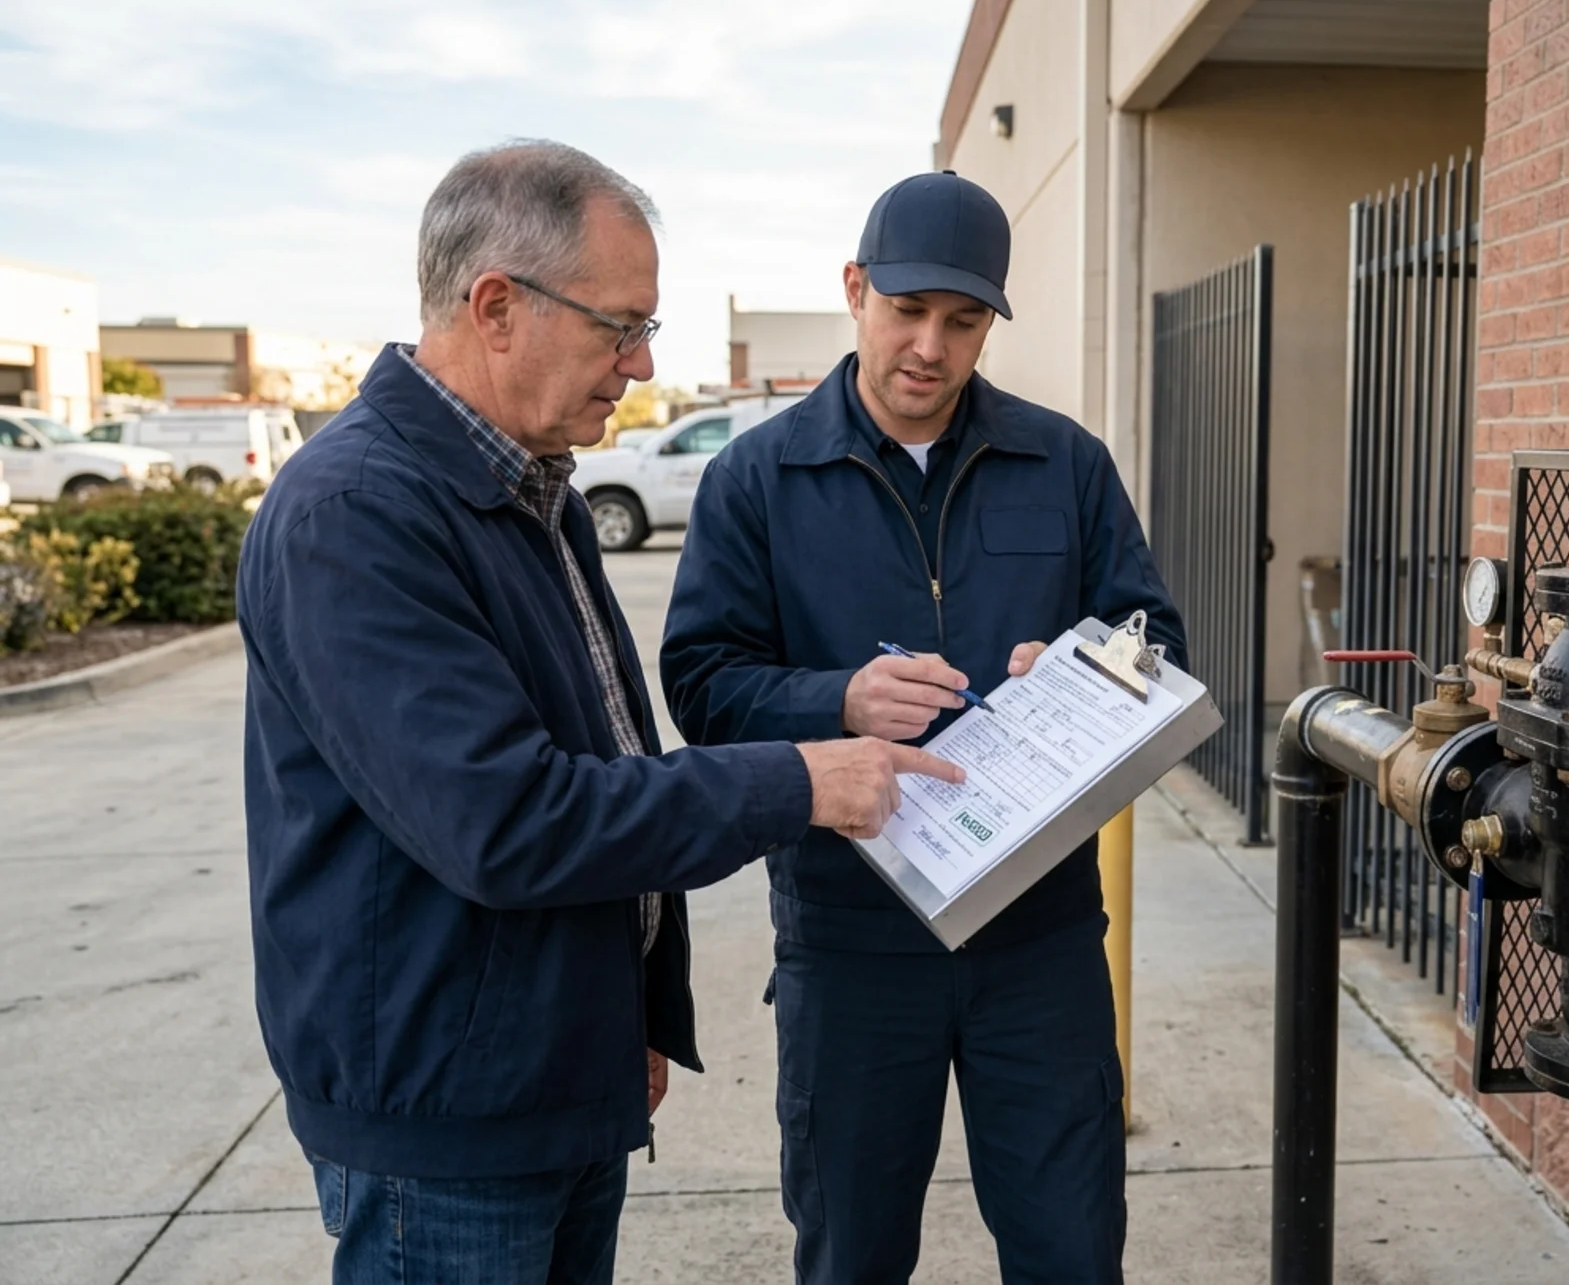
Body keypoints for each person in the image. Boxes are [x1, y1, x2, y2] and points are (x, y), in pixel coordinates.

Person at [237, 140, 960, 1285]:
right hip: (448, 1118)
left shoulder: (532, 491)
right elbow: (507, 817)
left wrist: (626, 1010)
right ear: (496, 307)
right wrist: (800, 778)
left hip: (549, 1071)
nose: (633, 364)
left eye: (647, 330)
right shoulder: (357, 513)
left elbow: (605, 758)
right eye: (616, 326)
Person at [661, 170, 1188, 1284]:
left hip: (1037, 936)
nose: (930, 347)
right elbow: (703, 684)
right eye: (906, 311)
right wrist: (832, 700)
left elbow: (1159, 642)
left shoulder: (1066, 465)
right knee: (852, 1254)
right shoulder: (757, 479)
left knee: (1071, 1249)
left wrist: (1094, 669)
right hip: (852, 938)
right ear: (854, 291)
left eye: (962, 321)